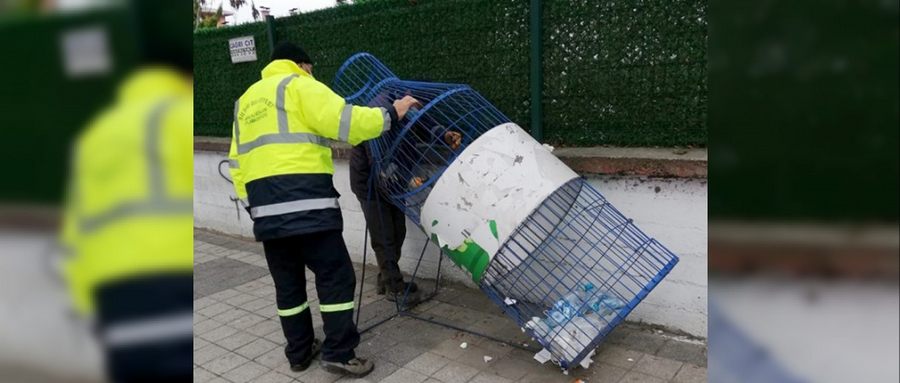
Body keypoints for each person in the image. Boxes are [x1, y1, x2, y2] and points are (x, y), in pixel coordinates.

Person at [227, 42, 420, 377]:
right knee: (336, 277)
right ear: (302, 65)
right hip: (309, 206)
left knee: (288, 285)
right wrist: (393, 112)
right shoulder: (300, 85)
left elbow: (236, 163)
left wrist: (254, 206)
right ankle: (340, 353)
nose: (313, 73)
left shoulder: (245, 101)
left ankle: (299, 353)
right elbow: (347, 122)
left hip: (266, 212)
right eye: (311, 68)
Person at [61, 65, 194, 382]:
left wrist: (87, 304)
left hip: (113, 293)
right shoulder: (179, 114)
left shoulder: (94, 134)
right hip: (172, 281)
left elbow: (74, 232)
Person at [349, 125, 461, 305]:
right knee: (383, 235)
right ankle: (394, 288)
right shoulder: (377, 118)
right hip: (369, 186)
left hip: (393, 186)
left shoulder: (408, 110)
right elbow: (377, 161)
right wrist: (407, 178)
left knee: (398, 231)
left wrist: (445, 135)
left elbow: (426, 126)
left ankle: (385, 278)